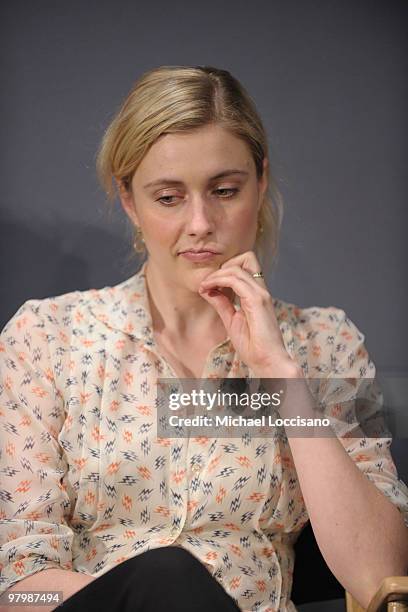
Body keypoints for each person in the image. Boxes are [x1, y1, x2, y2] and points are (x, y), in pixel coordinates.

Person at [0, 65, 407, 612]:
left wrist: (283, 378)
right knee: (167, 579)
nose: (200, 222)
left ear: (260, 183)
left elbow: (379, 574)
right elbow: (20, 584)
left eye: (224, 190)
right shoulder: (45, 339)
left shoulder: (328, 344)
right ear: (128, 200)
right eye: (168, 197)